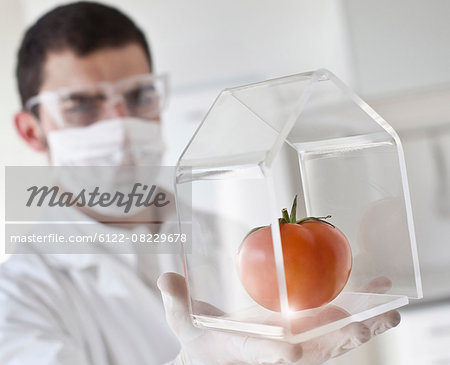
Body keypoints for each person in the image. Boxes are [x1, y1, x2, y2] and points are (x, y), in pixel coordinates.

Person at [0, 2, 401, 364]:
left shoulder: (235, 243)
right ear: (32, 131)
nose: (120, 126)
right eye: (82, 105)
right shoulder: (17, 298)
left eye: (139, 96)